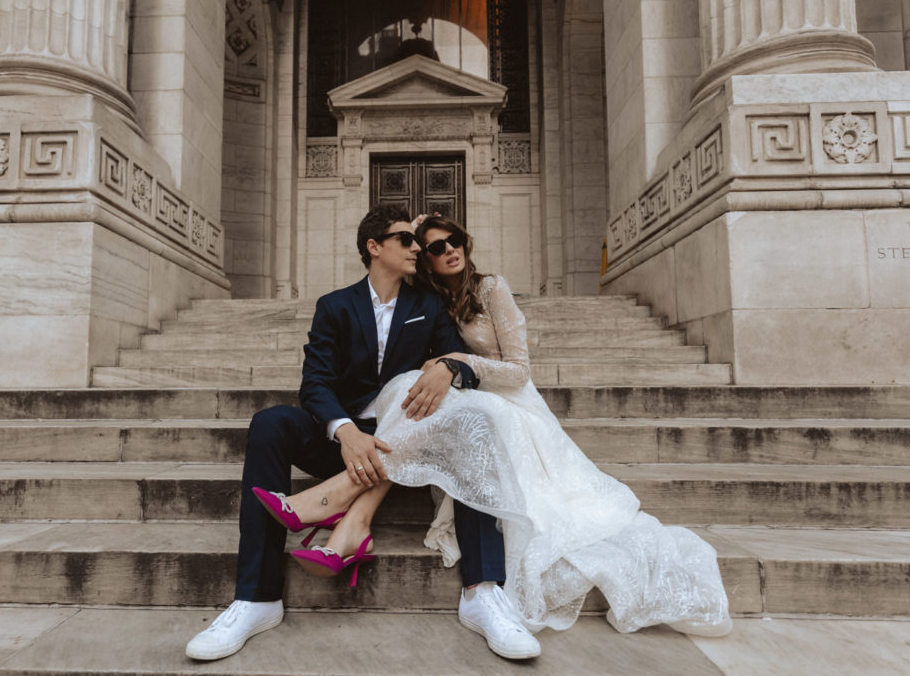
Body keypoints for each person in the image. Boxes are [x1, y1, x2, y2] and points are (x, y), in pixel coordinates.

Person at [272, 215, 733, 639]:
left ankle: (342, 499)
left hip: (508, 400)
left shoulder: (490, 288)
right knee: (420, 397)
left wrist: (456, 362)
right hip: (460, 399)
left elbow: (518, 370)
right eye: (433, 247)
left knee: (453, 410)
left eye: (454, 240)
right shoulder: (428, 301)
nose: (449, 250)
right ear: (420, 259)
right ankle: (353, 522)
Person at [185, 206, 542, 662]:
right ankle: (256, 598)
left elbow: (464, 365)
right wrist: (346, 432)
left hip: (409, 442)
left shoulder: (428, 305)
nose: (416, 249)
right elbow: (315, 383)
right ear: (374, 247)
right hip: (346, 441)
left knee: (474, 422)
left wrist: (449, 367)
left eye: (418, 242)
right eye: (405, 240)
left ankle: (483, 592)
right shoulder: (334, 306)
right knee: (270, 423)